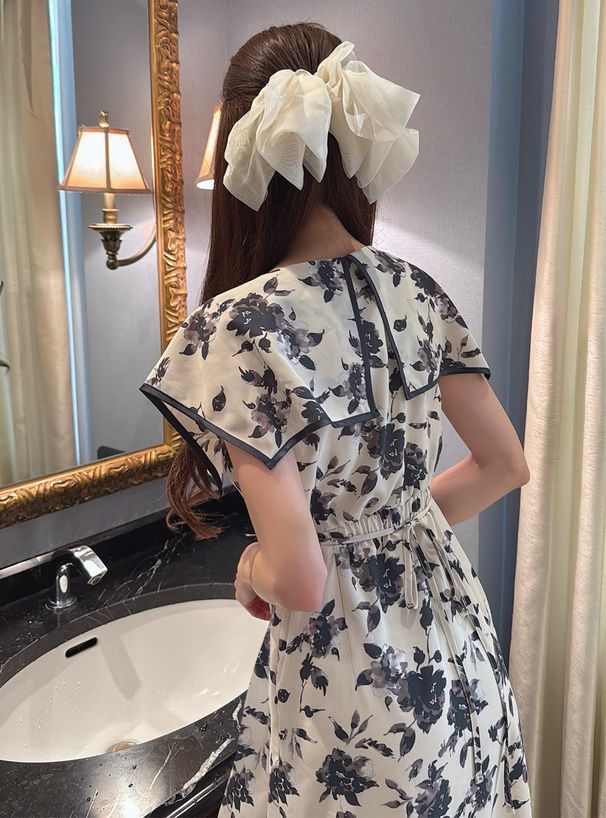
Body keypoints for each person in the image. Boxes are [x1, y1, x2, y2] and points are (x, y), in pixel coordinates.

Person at [139, 22, 533, 818]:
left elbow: (302, 580)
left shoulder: (239, 326)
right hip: (456, 655)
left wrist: (251, 567)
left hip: (354, 693)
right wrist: (392, 528)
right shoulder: (418, 290)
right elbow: (505, 466)